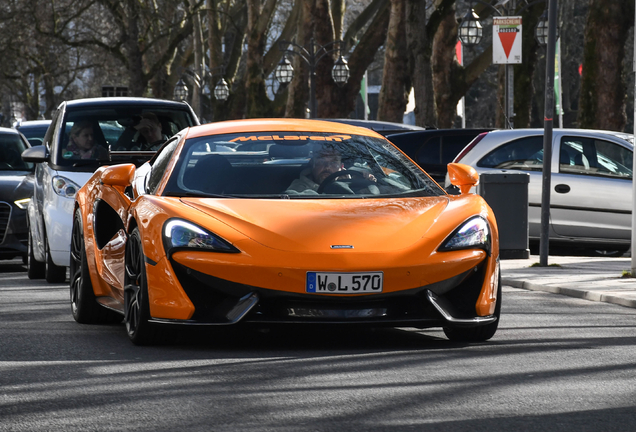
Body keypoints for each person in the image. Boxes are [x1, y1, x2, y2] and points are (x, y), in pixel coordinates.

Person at [285, 147, 376, 194]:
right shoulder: (298, 187)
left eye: (333, 163)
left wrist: (366, 183)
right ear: (313, 165)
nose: (327, 167)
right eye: (321, 161)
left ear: (341, 167)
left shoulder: (353, 181)